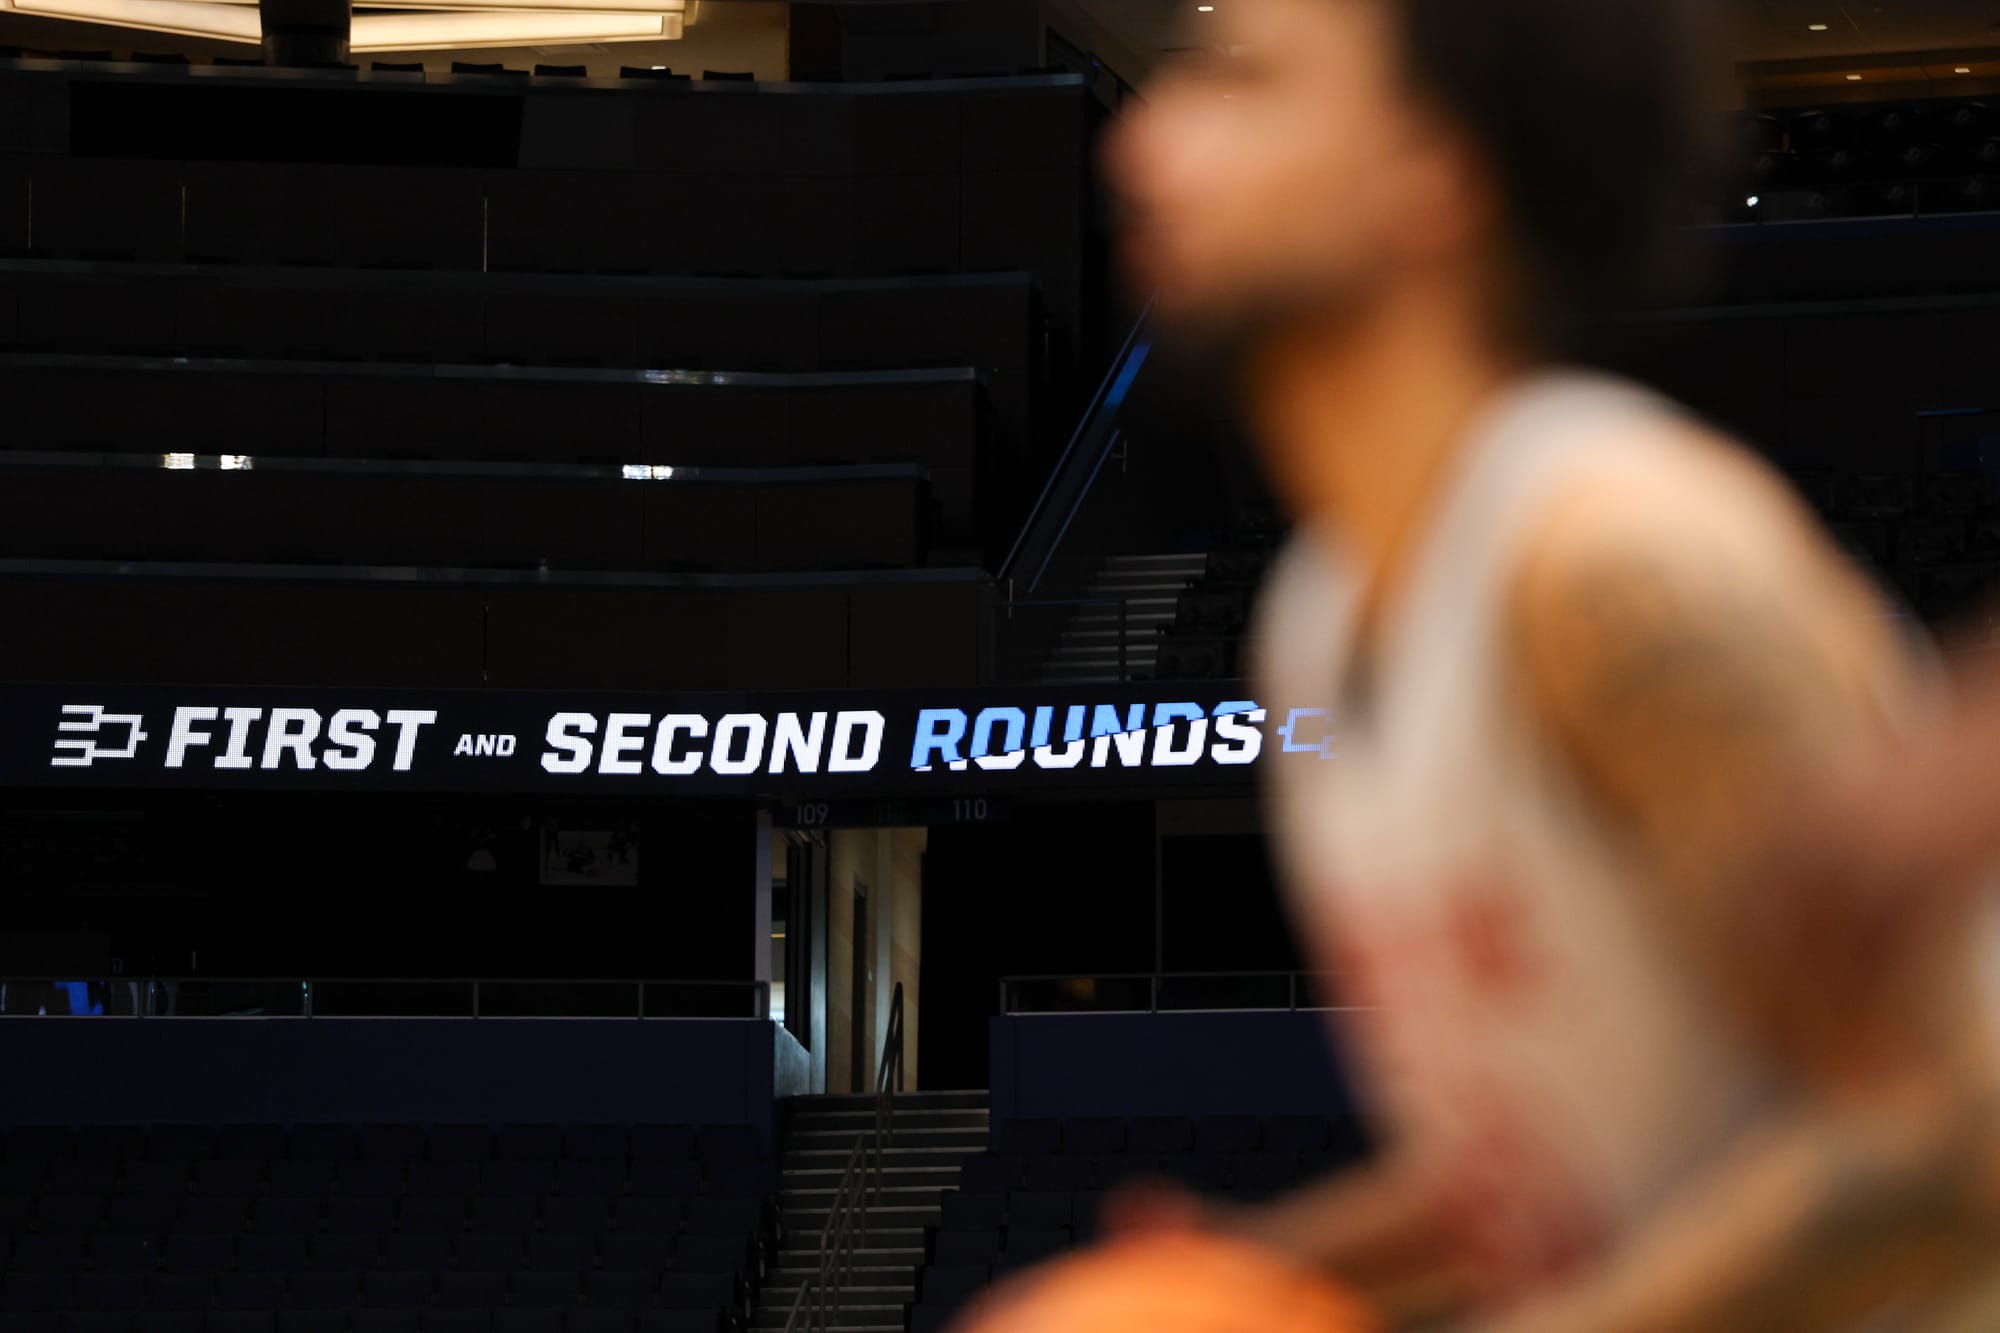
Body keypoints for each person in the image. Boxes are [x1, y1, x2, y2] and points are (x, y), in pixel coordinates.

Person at [957, 0, 2000, 1328]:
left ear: (1432, 173)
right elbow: (1609, 1160)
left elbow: (1955, 1133)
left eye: (1245, 81)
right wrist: (1262, 1266)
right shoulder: (1321, 615)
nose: (1145, 141)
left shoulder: (1620, 563)